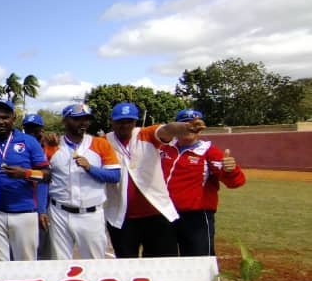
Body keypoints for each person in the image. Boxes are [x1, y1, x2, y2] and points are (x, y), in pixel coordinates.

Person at [104, 102, 195, 258]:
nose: (124, 125)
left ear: (135, 122)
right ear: (111, 121)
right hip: (121, 217)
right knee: (126, 267)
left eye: (129, 121)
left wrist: (182, 127)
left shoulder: (147, 134)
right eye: (120, 121)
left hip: (156, 213)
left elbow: (166, 130)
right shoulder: (103, 142)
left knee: (162, 264)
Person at [160, 109, 246, 256]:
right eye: (185, 124)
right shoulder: (165, 149)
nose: (190, 128)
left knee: (199, 259)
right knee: (165, 259)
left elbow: (235, 182)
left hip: (196, 217)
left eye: (195, 125)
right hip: (165, 213)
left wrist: (231, 170)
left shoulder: (208, 151)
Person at [44, 104, 121, 259]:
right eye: (77, 119)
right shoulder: (53, 145)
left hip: (91, 212)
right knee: (60, 263)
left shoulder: (100, 144)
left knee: (94, 263)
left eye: (86, 119)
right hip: (60, 212)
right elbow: (44, 177)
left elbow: (114, 176)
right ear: (65, 121)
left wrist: (90, 168)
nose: (83, 123)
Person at [0, 100, 49, 261]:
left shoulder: (29, 142)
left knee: (26, 263)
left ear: (14, 118)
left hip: (25, 212)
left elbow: (46, 175)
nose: (1, 122)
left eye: (5, 117)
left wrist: (26, 173)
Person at [21, 113, 51, 258]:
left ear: (42, 129)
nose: (32, 133)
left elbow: (44, 181)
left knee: (43, 252)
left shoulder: (52, 148)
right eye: (29, 129)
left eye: (36, 129)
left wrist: (42, 209)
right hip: (30, 204)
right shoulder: (22, 149)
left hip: (47, 205)